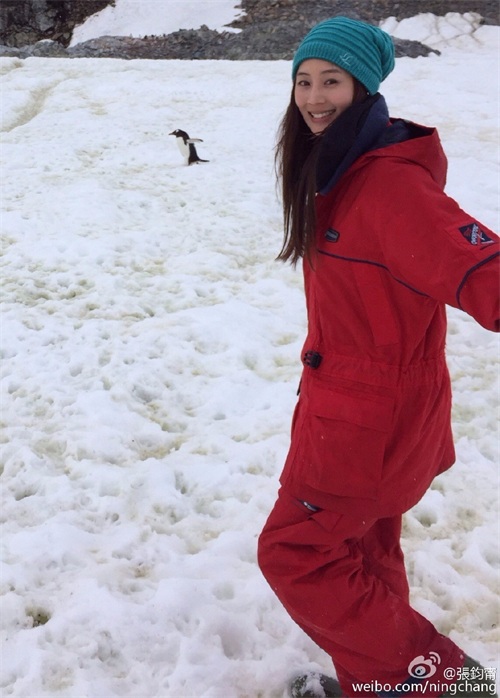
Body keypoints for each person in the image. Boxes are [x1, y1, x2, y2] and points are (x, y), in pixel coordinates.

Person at [257, 16, 499, 698]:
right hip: (363, 412)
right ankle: (383, 686)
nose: (314, 97)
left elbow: (480, 268)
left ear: (363, 87)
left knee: (295, 553)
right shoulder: (341, 168)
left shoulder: (388, 186)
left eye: (331, 81)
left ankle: (439, 682)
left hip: (365, 427)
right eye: (304, 81)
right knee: (361, 548)